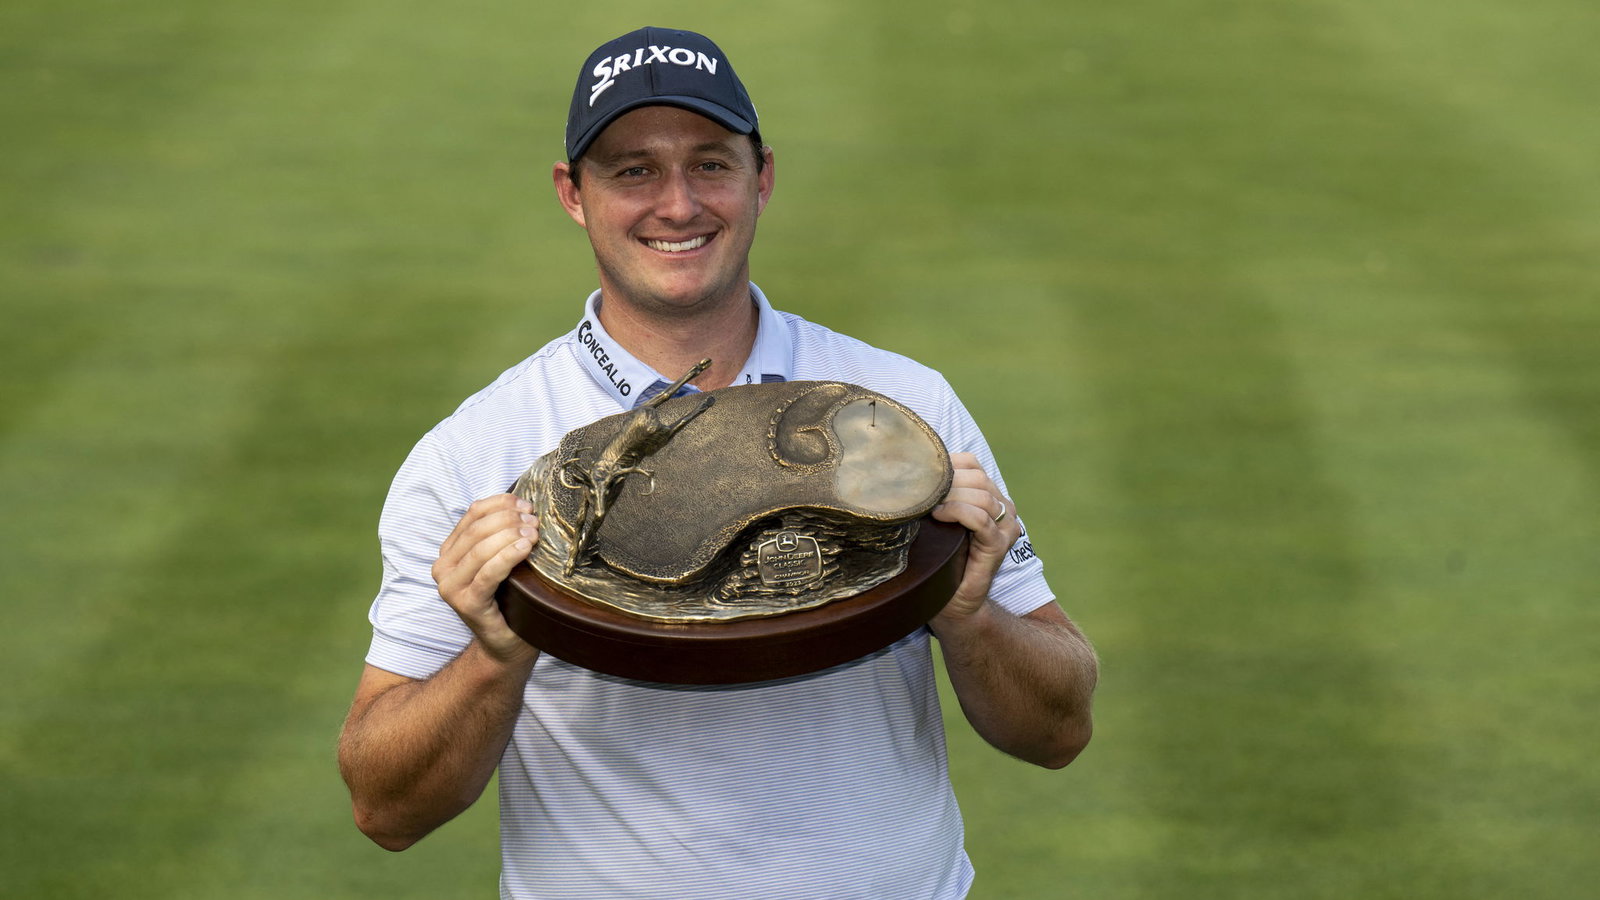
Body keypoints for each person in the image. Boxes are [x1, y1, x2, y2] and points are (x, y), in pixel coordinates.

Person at [338, 26, 1098, 899]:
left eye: (710, 164)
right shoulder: (478, 451)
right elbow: (383, 808)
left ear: (761, 177)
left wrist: (967, 614)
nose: (677, 205)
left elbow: (1060, 730)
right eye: (632, 170)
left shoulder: (904, 408)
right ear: (573, 194)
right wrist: (497, 653)